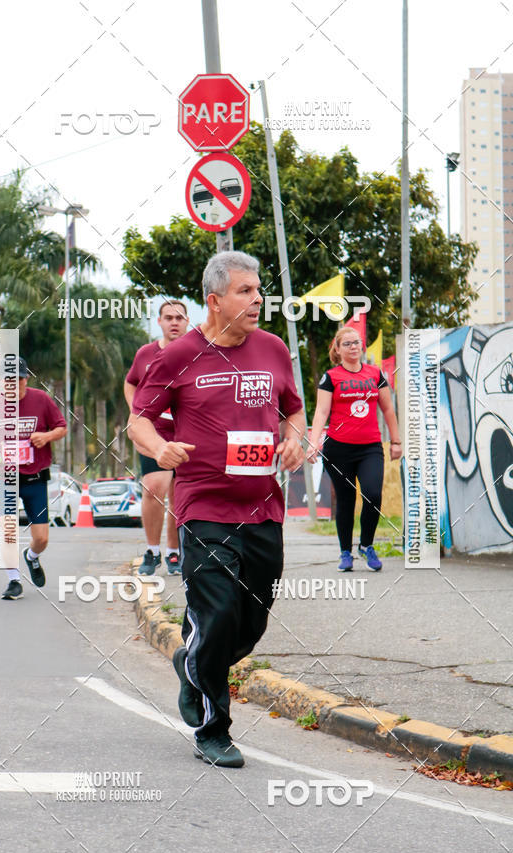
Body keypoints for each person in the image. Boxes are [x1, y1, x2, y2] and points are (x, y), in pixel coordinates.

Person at [129, 251, 305, 768]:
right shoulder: (179, 355)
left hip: (264, 509)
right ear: (214, 299)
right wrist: (160, 449)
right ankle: (213, 729)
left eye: (259, 290)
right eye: (246, 291)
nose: (258, 299)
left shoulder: (272, 349)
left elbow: (292, 409)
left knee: (250, 624)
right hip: (203, 508)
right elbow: (140, 418)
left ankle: (194, 661)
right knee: (218, 612)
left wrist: (296, 440)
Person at [306, 326, 402, 573]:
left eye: (356, 342)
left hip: (370, 447)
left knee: (373, 494)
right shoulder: (331, 377)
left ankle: (367, 545)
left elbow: (388, 409)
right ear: (337, 349)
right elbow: (322, 412)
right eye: (347, 343)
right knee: (346, 501)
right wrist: (314, 441)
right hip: (338, 449)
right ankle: (345, 552)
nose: (353, 347)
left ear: (362, 345)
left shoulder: (375, 374)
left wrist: (396, 441)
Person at [0, 357, 67, 600]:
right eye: (9, 380)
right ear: (2, 382)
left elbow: (61, 427)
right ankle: (13, 580)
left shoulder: (42, 400)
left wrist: (46, 438)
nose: (15, 385)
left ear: (27, 379)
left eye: (20, 380)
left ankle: (31, 557)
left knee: (42, 538)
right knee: (8, 530)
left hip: (35, 478)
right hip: (5, 477)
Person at [124, 301, 189, 576]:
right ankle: (152, 551)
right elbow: (130, 382)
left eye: (179, 318)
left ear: (187, 322)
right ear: (160, 322)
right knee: (153, 487)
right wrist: (136, 412)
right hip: (155, 431)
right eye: (168, 318)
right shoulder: (145, 354)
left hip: (188, 430)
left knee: (179, 495)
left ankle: (174, 553)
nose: (174, 322)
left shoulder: (198, 352)